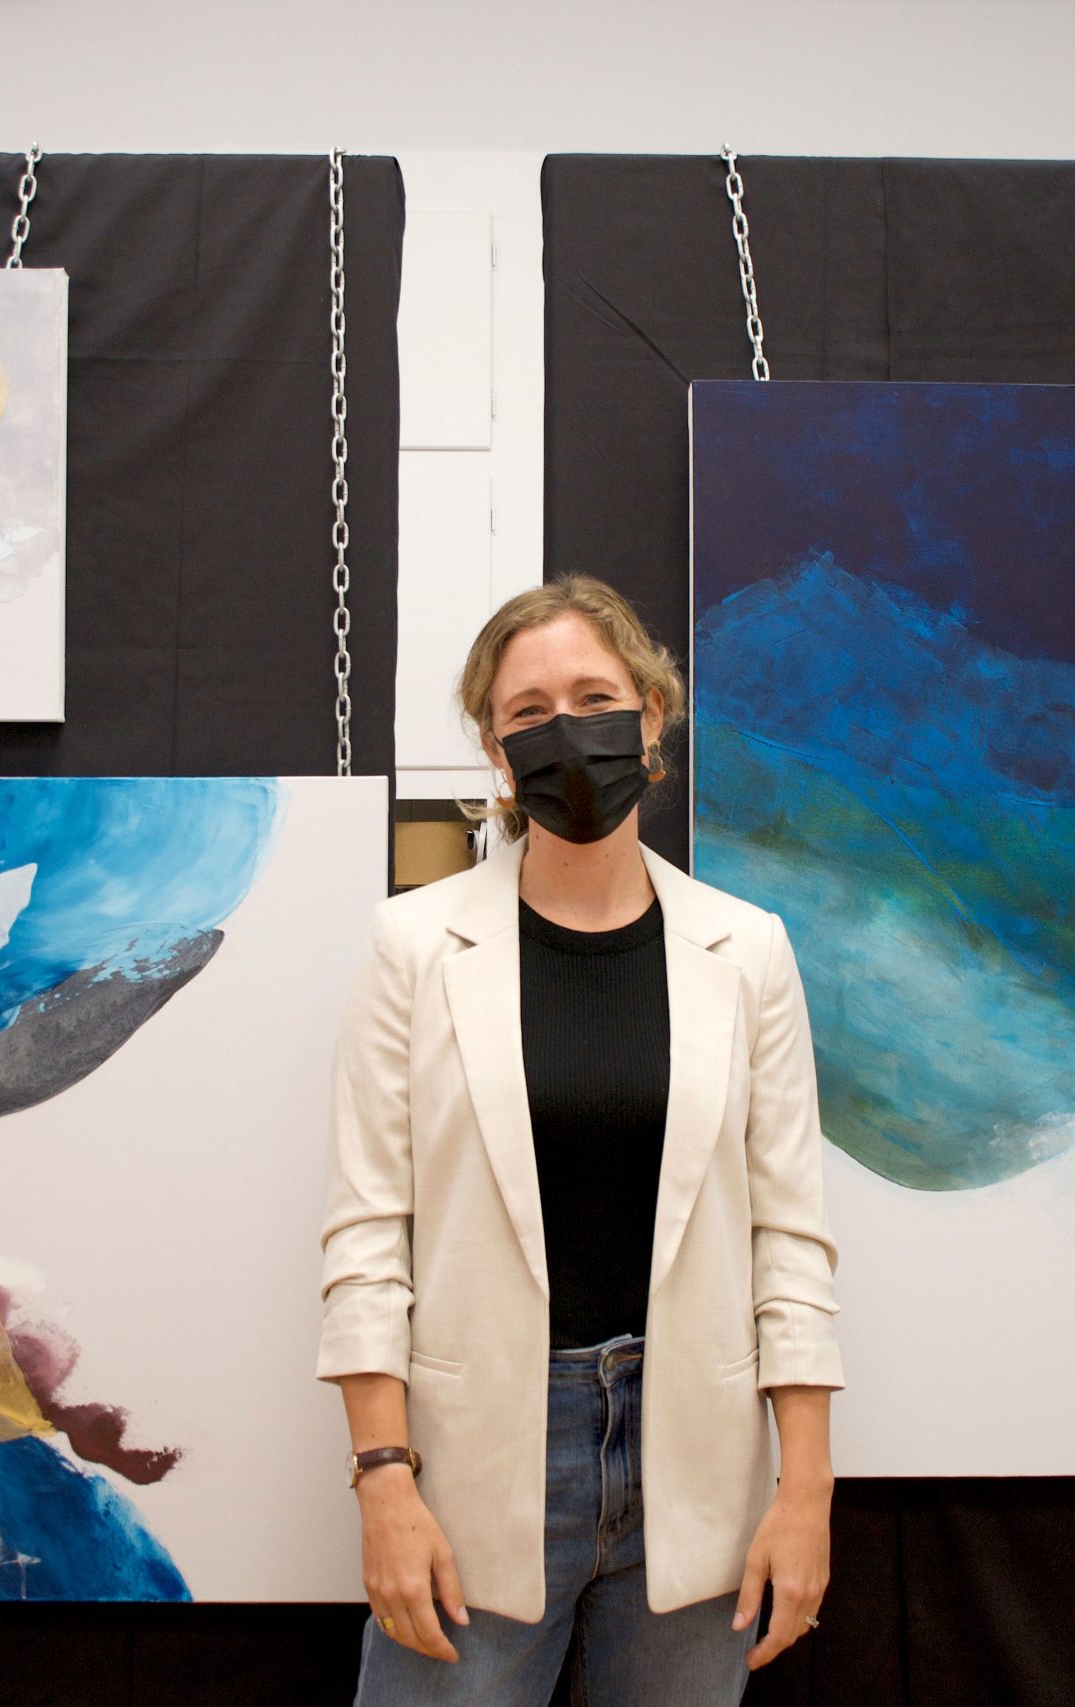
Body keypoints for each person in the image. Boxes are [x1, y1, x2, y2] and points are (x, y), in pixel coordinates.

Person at [316, 576, 843, 1706]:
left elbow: (791, 1245)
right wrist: (382, 1480)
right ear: (496, 753)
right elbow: (366, 1238)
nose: (567, 731)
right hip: (476, 1457)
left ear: (652, 715)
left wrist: (806, 1492)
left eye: (596, 699)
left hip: (695, 1454)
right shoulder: (414, 946)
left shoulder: (748, 951)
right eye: (529, 712)